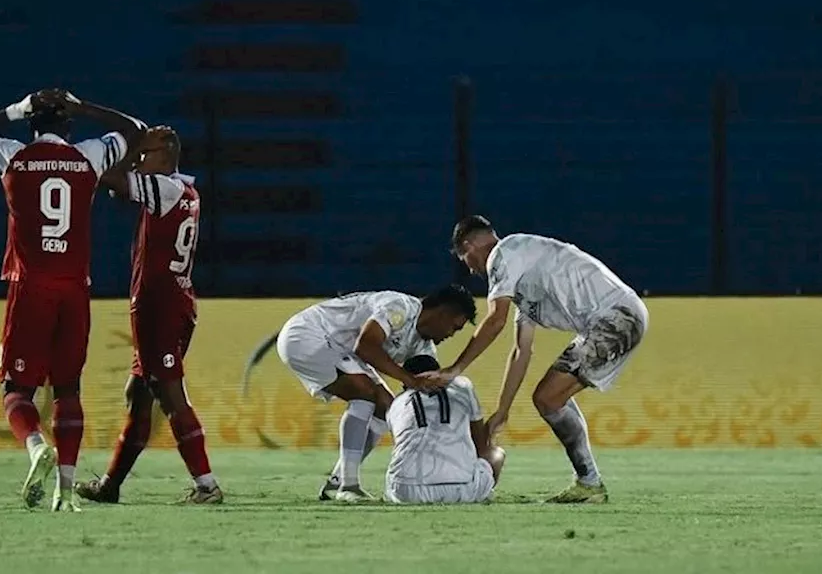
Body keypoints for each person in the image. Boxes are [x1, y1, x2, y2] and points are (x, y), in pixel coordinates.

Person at [0, 89, 147, 511]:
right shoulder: (90, 156)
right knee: (67, 388)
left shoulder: (12, 154)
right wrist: (86, 106)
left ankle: (36, 445)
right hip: (75, 287)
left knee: (15, 389)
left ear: (31, 124)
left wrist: (14, 110)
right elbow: (134, 131)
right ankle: (66, 488)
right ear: (69, 126)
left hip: (30, 285)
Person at [426, 215, 649, 504]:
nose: (470, 269)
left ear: (469, 245)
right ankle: (589, 483)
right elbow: (521, 351)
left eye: (465, 259)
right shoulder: (526, 278)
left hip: (614, 317)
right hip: (617, 316)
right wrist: (502, 411)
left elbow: (495, 320)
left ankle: (589, 482)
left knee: (548, 398)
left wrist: (454, 369)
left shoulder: (505, 254)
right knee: (549, 399)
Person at [74, 126, 222, 505]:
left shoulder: (168, 190)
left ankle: (207, 486)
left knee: (170, 392)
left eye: (146, 153)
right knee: (138, 393)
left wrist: (112, 150)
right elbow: (118, 187)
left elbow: (110, 179)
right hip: (175, 300)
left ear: (166, 156)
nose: (139, 159)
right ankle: (111, 486)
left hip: (159, 306)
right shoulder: (185, 190)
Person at [276, 285, 477, 502]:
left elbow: (417, 390)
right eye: (454, 327)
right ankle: (349, 486)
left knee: (386, 408)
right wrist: (410, 379)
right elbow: (366, 346)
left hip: (339, 350)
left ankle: (337, 481)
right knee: (364, 393)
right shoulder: (400, 308)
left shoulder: (424, 348)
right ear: (443, 313)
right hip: (307, 334)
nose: (451, 335)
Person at [383, 355, 505, 505]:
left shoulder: (396, 404)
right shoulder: (463, 386)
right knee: (496, 453)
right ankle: (484, 491)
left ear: (404, 381)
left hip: (405, 491)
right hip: (462, 490)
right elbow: (480, 445)